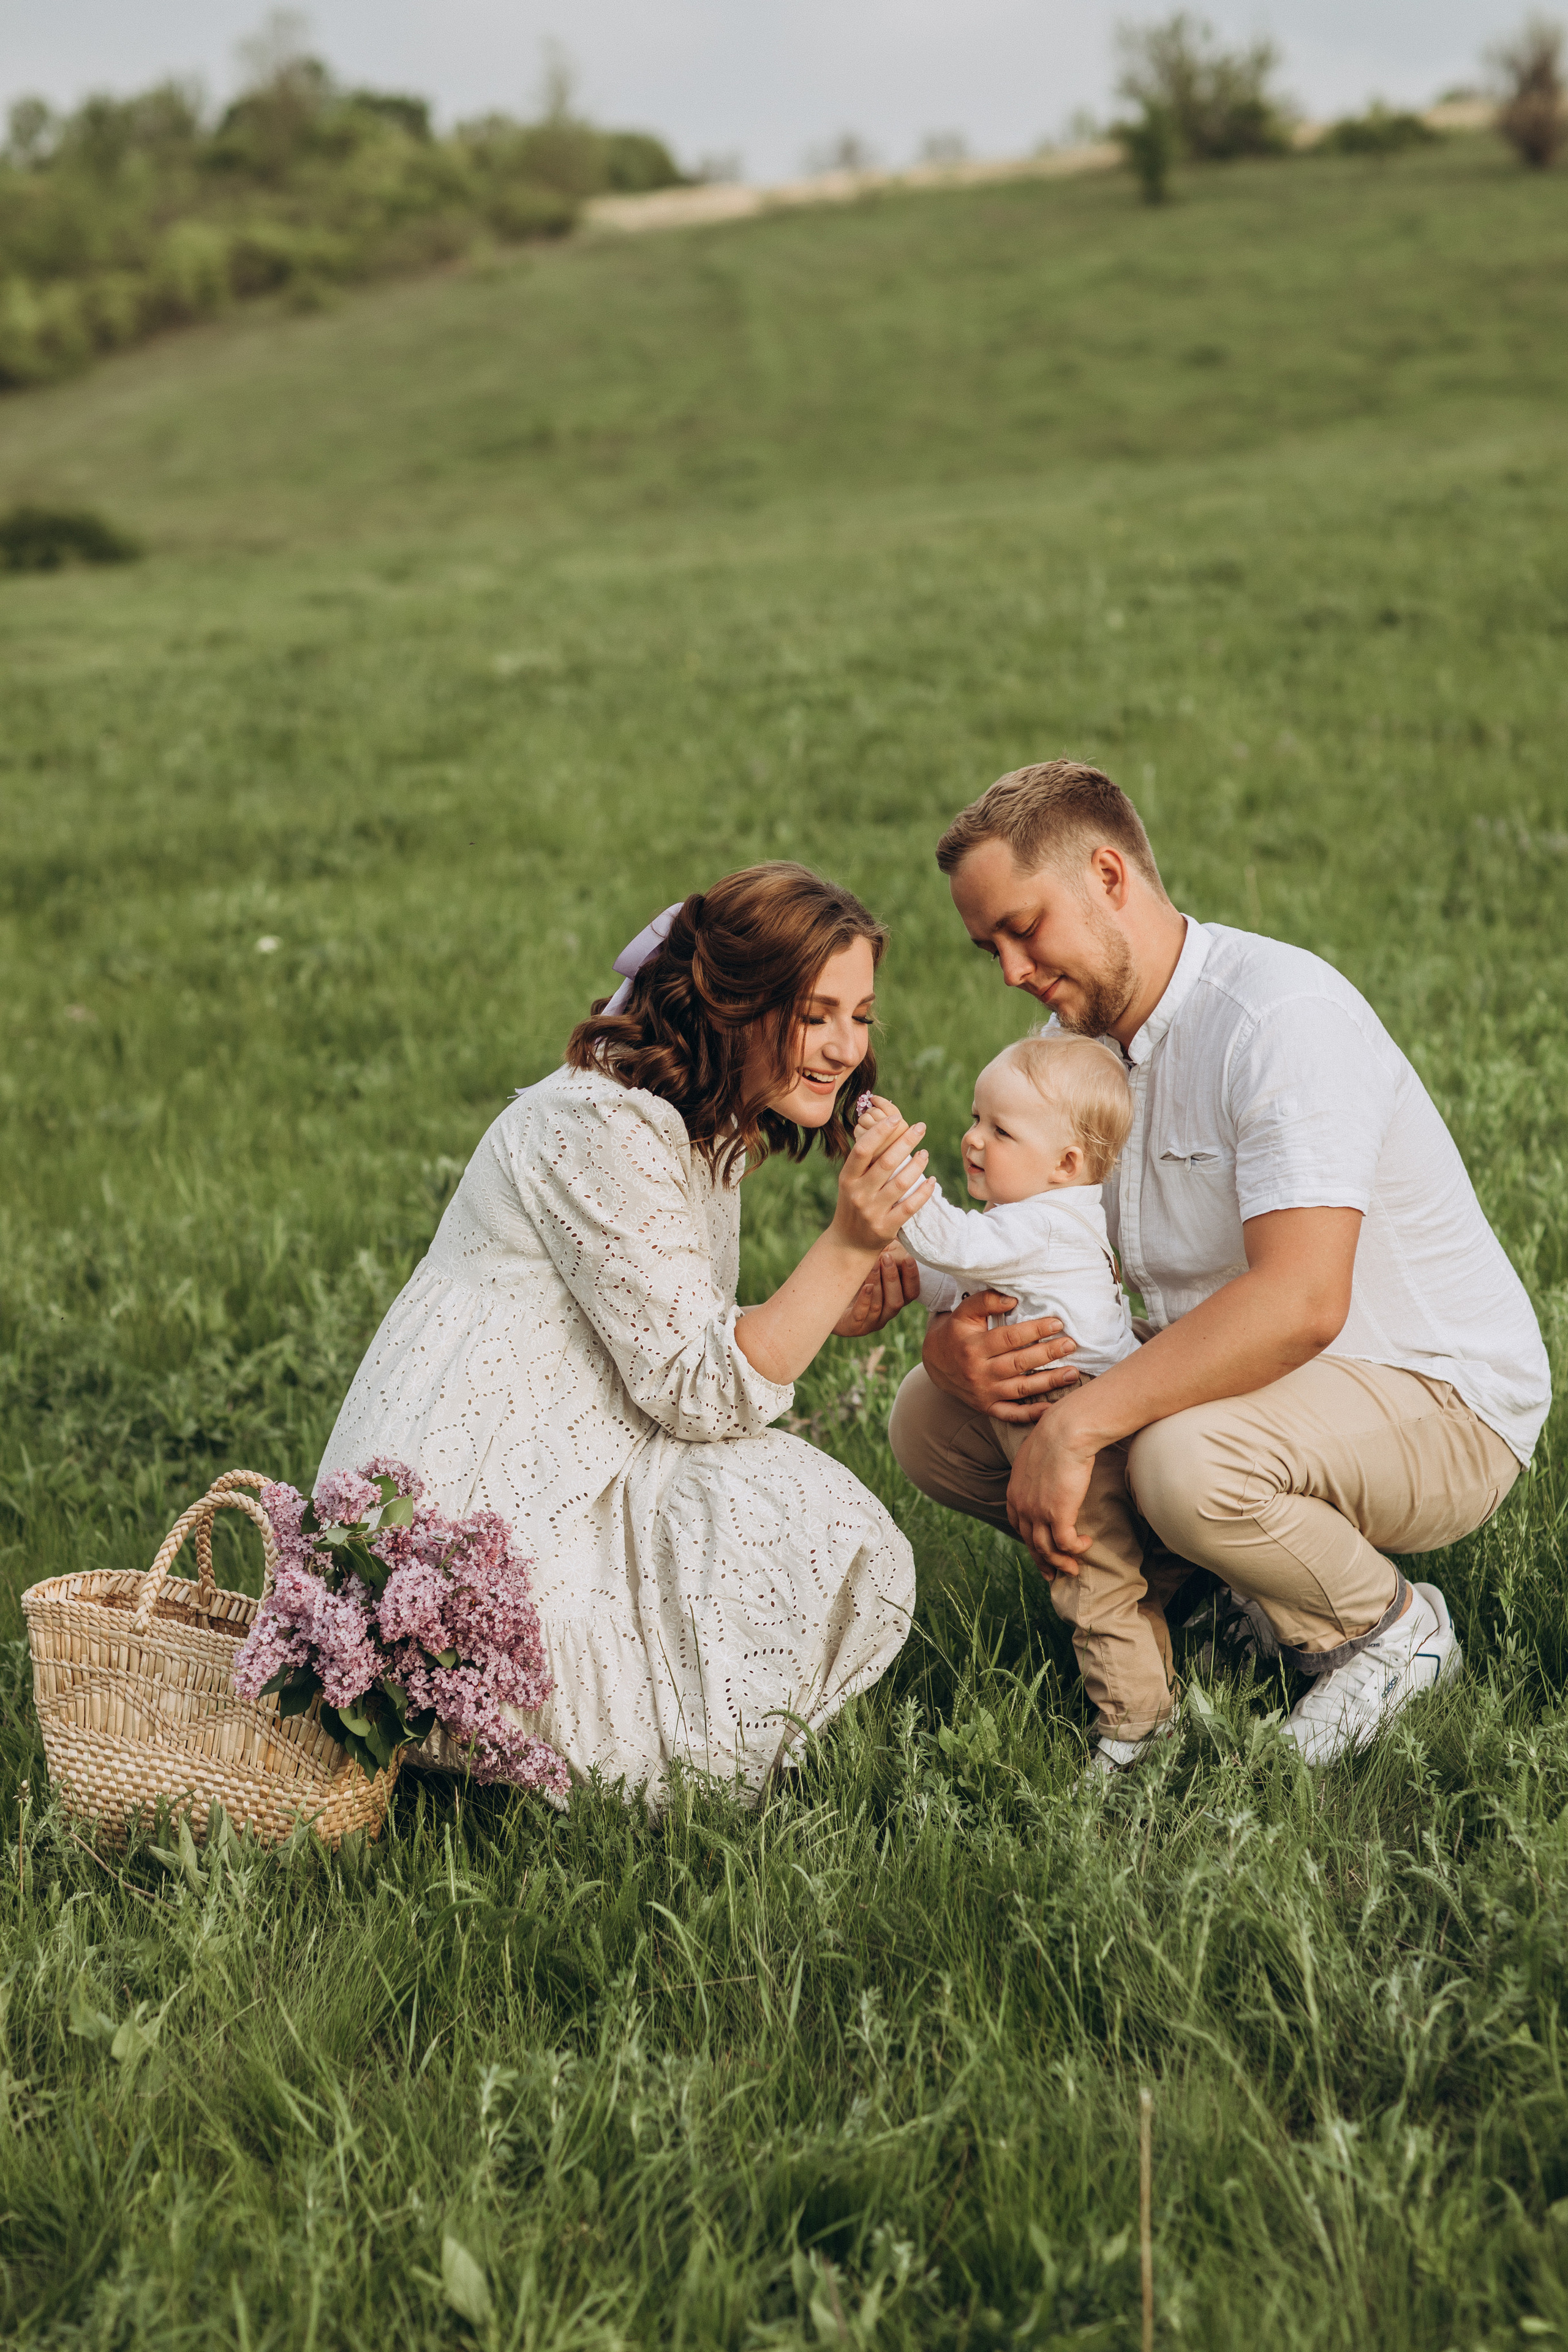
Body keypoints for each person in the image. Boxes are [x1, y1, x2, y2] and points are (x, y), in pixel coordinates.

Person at [889, 761, 1550, 1770]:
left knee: (1178, 1462)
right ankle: (1218, 1603)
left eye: (1024, 929)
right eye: (991, 948)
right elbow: (1037, 1256)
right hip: (1264, 1393)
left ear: (1109, 876)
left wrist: (1079, 1425)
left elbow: (1300, 1304)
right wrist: (954, 1356)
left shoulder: (1279, 1018)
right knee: (932, 1422)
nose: (1012, 971)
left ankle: (1388, 1634)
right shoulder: (1072, 1058)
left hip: (1435, 1398)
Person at [317, 863, 932, 1802]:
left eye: (862, 1016)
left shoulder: (693, 1124)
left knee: (789, 1509)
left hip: (571, 1448)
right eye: (816, 1014)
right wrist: (846, 1247)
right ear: (733, 1002)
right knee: (801, 1509)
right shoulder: (597, 1122)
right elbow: (696, 1389)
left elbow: (665, 1328)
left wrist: (820, 1306)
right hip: (476, 1500)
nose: (847, 1046)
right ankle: (468, 1723)